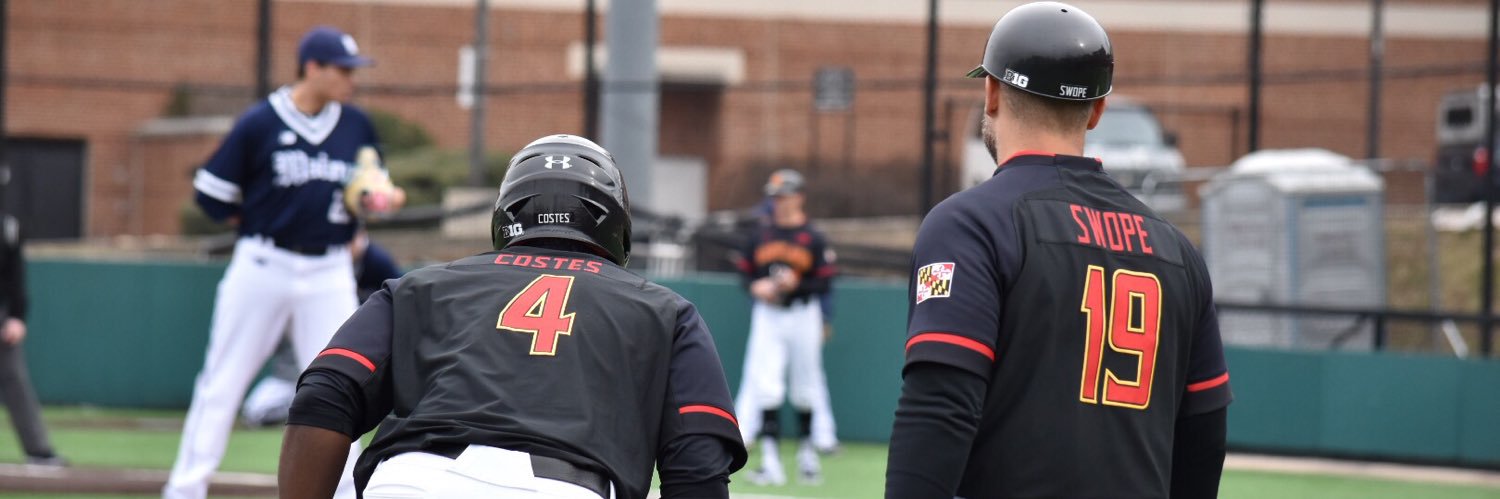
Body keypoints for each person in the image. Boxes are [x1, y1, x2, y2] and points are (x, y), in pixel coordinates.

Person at [884, 3, 1232, 498]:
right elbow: (1204, 437)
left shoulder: (969, 223)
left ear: (991, 92)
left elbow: (942, 406)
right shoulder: (1176, 248)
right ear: (1097, 110)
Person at [278, 134, 748, 499]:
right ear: (615, 220)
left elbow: (324, 394)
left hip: (408, 481)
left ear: (506, 213)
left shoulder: (420, 286)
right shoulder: (667, 312)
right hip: (563, 487)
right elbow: (698, 464)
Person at [168, 25, 400, 499]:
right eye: (342, 69)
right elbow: (211, 195)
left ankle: (343, 493)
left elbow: (375, 186)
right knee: (222, 384)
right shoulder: (260, 122)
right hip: (263, 264)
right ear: (311, 67)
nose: (351, 79)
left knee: (346, 385)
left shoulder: (356, 125)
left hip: (330, 271)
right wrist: (261, 214)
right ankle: (184, 490)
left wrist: (378, 201)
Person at [733, 169, 838, 486]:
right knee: (767, 385)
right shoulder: (760, 235)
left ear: (799, 197)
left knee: (805, 385)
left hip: (803, 313)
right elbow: (746, 274)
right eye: (775, 197)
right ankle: (771, 462)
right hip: (769, 314)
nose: (778, 202)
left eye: (784, 196)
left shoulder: (814, 237)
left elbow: (825, 280)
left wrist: (798, 284)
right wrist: (756, 287)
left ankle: (808, 456)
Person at [241, 230, 403, 428]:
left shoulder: (375, 261)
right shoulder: (301, 272)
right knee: (256, 411)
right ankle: (301, 411)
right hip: (291, 374)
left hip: (343, 367)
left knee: (332, 401)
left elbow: (399, 299)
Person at [0, 189, 66, 468]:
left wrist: (17, 316)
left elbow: (16, 274)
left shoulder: (7, 226)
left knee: (15, 380)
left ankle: (38, 450)